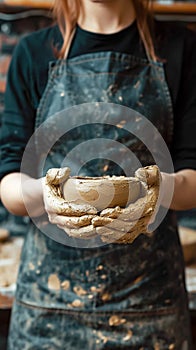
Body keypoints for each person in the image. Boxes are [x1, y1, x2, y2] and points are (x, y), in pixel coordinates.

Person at [0, 0, 196, 348]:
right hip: (50, 308)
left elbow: (192, 178)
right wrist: (43, 195)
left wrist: (158, 191)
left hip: (149, 305)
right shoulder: (33, 52)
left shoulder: (182, 48)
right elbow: (9, 183)